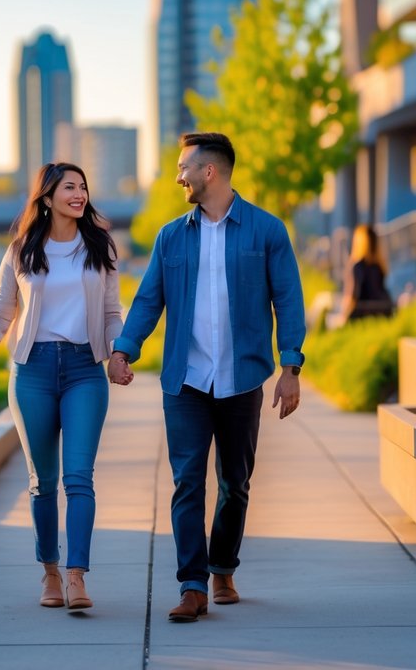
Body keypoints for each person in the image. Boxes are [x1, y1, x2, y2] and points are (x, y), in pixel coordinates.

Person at [107, 132, 306, 623]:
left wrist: (291, 367)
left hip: (242, 380)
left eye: (183, 168)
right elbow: (149, 298)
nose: (178, 177)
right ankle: (192, 585)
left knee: (235, 483)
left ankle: (222, 567)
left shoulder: (266, 231)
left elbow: (289, 299)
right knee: (187, 483)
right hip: (186, 382)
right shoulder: (171, 236)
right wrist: (123, 349)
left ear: (209, 171)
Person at [0, 162, 130, 611]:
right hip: (32, 371)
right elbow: (1, 312)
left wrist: (119, 353)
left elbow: (113, 312)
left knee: (79, 478)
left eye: (83, 187)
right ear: (48, 196)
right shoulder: (21, 251)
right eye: (69, 187)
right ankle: (50, 574)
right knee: (42, 482)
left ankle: (77, 577)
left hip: (84, 371)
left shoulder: (99, 247)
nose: (79, 194)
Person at [340, 224, 393, 322]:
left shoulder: (357, 266)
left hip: (362, 312)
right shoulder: (380, 266)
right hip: (383, 309)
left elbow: (353, 294)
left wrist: (343, 315)